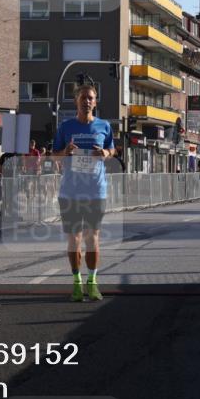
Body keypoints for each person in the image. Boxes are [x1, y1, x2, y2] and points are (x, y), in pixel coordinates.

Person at [52, 84, 114, 302]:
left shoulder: (104, 126)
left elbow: (112, 149)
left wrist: (105, 152)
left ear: (95, 102)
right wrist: (65, 151)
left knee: (92, 237)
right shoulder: (65, 127)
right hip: (70, 191)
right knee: (74, 238)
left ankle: (92, 282)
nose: (87, 101)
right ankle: (77, 282)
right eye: (83, 98)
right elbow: (55, 156)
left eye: (90, 98)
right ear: (76, 101)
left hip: (95, 190)